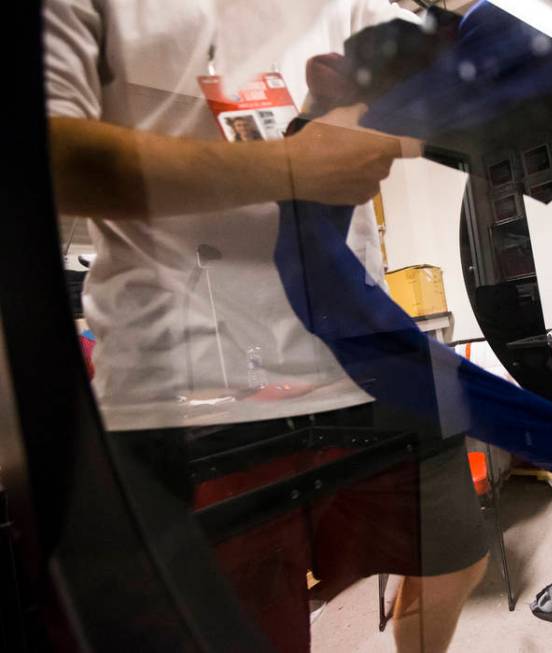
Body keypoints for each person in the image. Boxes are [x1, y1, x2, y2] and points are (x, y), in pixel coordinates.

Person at [43, 1, 488, 651]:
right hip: (196, 385)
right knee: (253, 623)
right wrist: (291, 168)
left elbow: (468, 66)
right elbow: (51, 156)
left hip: (361, 360)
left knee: (456, 554)